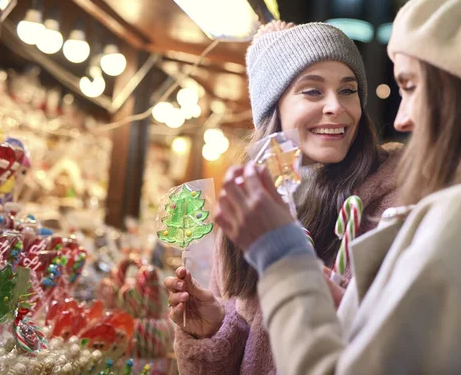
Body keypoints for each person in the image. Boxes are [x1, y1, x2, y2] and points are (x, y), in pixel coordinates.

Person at [216, 0, 461, 375]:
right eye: (312, 91)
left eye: (411, 87)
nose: (401, 118)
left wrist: (281, 254)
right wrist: (358, 306)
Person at [164, 21, 404, 374]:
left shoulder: (394, 205)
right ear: (274, 108)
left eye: (348, 90)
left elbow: (399, 346)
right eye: (312, 91)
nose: (336, 106)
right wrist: (214, 331)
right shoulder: (245, 209)